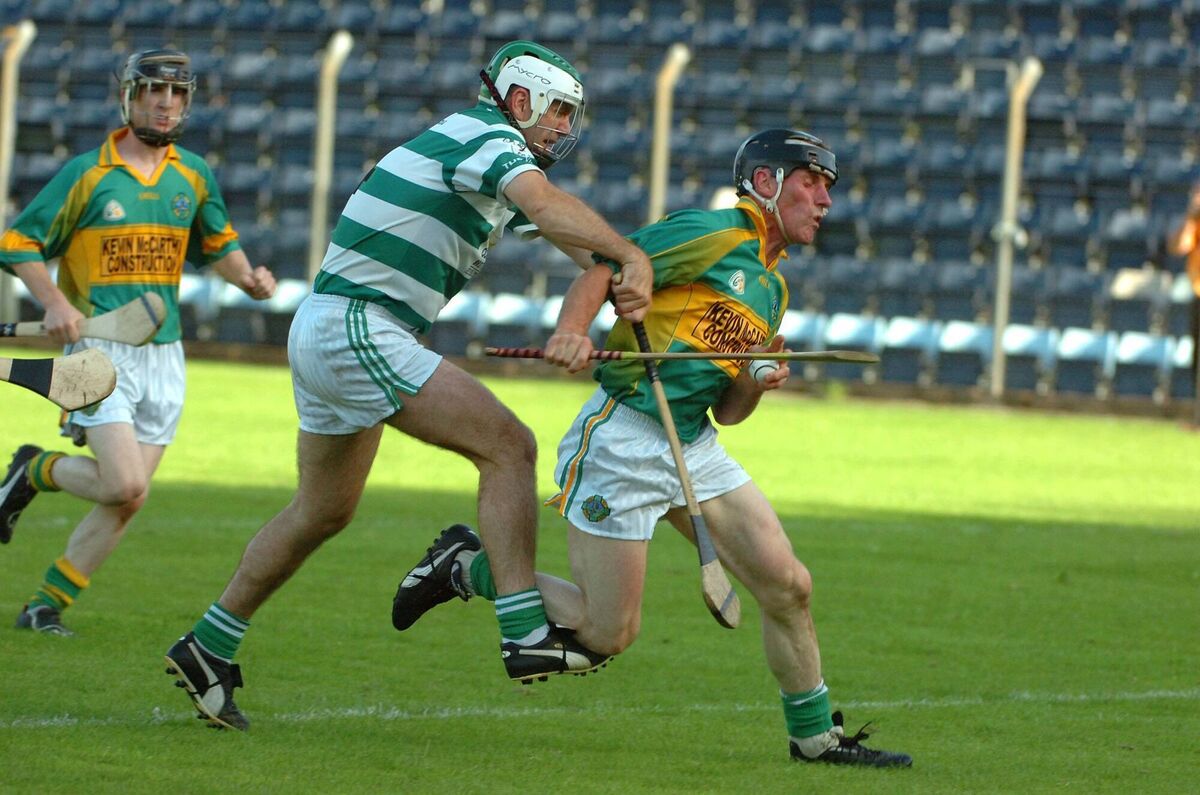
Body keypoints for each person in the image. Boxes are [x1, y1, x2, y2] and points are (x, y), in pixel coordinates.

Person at [163, 40, 652, 731]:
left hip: (333, 327)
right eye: (560, 112)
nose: (566, 128)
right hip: (362, 325)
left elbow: (584, 249)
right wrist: (629, 255)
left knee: (323, 511)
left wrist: (624, 281)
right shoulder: (484, 137)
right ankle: (522, 630)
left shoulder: (486, 160)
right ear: (521, 102)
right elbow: (548, 209)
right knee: (509, 447)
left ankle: (208, 645)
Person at [393, 129, 912, 768]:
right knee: (605, 632)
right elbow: (612, 268)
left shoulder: (772, 291)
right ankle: (463, 566)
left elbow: (729, 411)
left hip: (694, 441)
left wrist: (755, 379)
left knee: (788, 585)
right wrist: (572, 330)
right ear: (769, 182)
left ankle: (814, 739)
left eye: (828, 186)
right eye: (813, 181)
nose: (826, 199)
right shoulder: (713, 233)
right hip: (626, 442)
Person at [0, 49, 277, 636]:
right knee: (124, 481)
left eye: (177, 93)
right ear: (128, 96)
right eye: (154, 90)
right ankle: (35, 469)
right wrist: (54, 302)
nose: (165, 102)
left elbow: (218, 243)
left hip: (164, 354)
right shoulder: (87, 173)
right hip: (97, 351)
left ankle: (44, 605)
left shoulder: (193, 175)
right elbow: (18, 242)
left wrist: (249, 277)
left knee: (128, 498)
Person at [1166, 181, 1200, 402]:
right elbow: (1179, 247)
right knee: (1197, 356)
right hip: (1199, 292)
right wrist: (1191, 218)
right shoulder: (1193, 223)